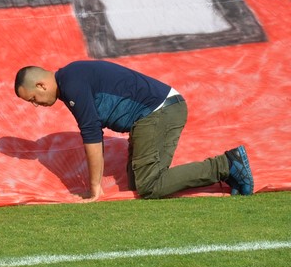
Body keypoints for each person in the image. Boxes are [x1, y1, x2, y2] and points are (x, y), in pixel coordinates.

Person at [13, 60, 254, 201]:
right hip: (154, 113)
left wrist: (94, 189)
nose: (36, 104)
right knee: (136, 183)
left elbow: (92, 136)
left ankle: (227, 164)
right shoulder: (70, 79)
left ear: (41, 84)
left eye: (33, 98)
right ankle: (231, 171)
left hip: (160, 111)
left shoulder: (72, 84)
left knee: (150, 186)